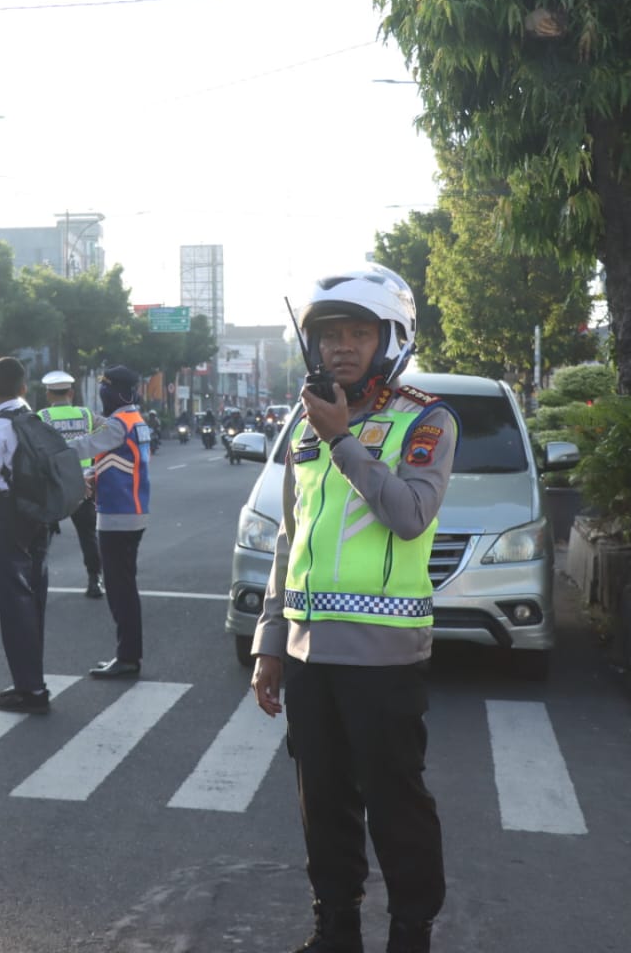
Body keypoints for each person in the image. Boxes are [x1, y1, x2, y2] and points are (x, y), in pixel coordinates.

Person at [248, 265, 458, 953]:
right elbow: (290, 539)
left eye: (358, 333)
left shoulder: (426, 419)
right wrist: (270, 645)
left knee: (397, 805)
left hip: (384, 656)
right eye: (330, 335)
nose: (341, 347)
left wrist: (344, 441)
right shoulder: (303, 427)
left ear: (391, 338)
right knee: (323, 808)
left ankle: (411, 933)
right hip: (311, 656)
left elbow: (408, 514)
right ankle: (334, 928)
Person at [0, 356, 53, 714]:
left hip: (11, 516)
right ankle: (33, 682)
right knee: (34, 600)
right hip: (39, 515)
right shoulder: (34, 419)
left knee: (14, 603)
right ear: (24, 387)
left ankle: (30, 689)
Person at [65, 366, 151, 678]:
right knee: (123, 587)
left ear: (116, 393)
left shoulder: (118, 424)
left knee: (120, 591)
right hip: (131, 511)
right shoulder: (135, 420)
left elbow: (83, 447)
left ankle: (128, 657)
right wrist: (93, 475)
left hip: (119, 515)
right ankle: (128, 654)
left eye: (106, 390)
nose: (103, 396)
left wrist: (49, 448)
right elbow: (121, 463)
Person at [36, 370, 103, 599]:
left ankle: (37, 582)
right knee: (87, 535)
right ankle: (95, 580)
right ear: (72, 393)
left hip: (53, 486)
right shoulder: (86, 415)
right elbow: (106, 436)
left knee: (42, 537)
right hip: (81, 485)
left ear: (48, 394)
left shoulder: (42, 417)